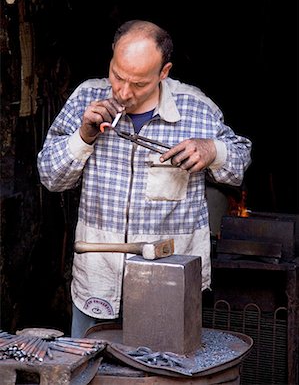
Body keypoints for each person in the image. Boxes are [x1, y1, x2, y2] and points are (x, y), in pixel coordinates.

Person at [37, 19, 252, 337]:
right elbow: (50, 177)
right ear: (112, 56)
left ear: (164, 72)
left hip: (168, 284)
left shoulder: (195, 108)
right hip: (98, 282)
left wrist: (213, 150)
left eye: (138, 84)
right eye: (117, 76)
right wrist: (83, 136)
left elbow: (240, 160)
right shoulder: (85, 98)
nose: (123, 92)